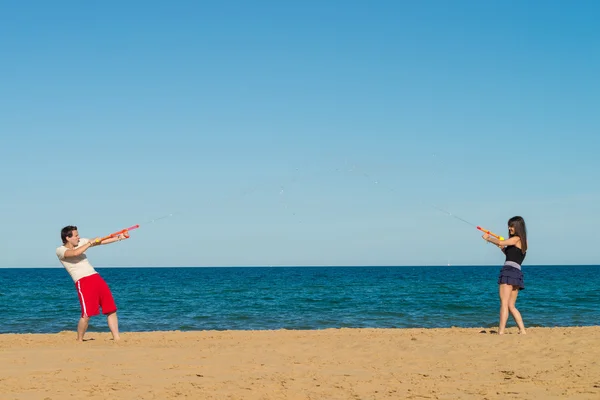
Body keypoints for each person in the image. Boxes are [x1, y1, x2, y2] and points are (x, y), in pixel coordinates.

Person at [56, 225, 128, 342]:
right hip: (83, 281)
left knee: (111, 309)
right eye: (76, 235)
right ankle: (79, 340)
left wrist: (120, 237)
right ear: (67, 238)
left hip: (95, 277)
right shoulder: (60, 250)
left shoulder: (82, 242)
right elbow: (74, 253)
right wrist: (90, 243)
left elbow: (102, 241)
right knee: (86, 314)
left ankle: (116, 338)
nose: (78, 238)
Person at [481, 216, 528, 335]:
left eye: (512, 226)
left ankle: (501, 332)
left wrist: (489, 238)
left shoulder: (516, 239)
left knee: (504, 303)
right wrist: (502, 248)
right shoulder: (523, 242)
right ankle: (522, 330)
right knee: (511, 305)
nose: (509, 228)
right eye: (509, 225)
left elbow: (502, 241)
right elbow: (510, 254)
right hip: (517, 273)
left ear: (518, 227)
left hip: (509, 271)